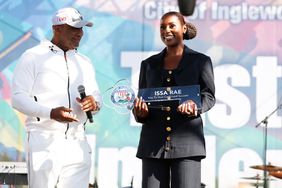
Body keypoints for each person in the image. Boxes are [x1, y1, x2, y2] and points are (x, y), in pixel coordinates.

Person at [12, 7, 101, 188]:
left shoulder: (85, 62)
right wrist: (51, 113)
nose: (80, 33)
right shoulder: (33, 56)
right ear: (57, 28)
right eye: (74, 28)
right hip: (44, 138)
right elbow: (18, 98)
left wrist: (94, 103)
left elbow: (97, 96)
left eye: (82, 28)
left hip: (78, 141)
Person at [133, 11, 215, 188]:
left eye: (172, 26)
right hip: (152, 144)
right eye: (162, 27)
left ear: (183, 28)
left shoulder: (201, 61)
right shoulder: (148, 64)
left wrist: (196, 105)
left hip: (187, 144)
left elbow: (209, 96)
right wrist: (140, 112)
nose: (166, 30)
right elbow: (143, 100)